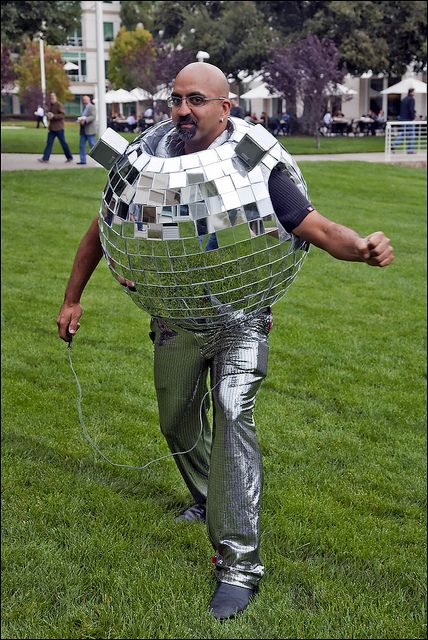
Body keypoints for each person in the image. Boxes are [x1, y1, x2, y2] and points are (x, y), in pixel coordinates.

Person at [57, 62, 394, 622]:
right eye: (176, 100)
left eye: (196, 100)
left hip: (241, 315)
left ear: (225, 106)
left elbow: (313, 224)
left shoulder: (255, 161)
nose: (183, 110)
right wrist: (72, 299)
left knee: (234, 410)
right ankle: (209, 497)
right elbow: (101, 228)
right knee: (176, 424)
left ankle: (239, 563)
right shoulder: (146, 157)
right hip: (176, 317)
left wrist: (361, 247)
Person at [38, 92, 73, 163]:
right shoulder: (51, 105)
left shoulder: (59, 105)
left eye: (53, 97)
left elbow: (62, 115)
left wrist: (54, 116)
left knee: (63, 143)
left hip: (59, 128)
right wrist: (48, 115)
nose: (51, 98)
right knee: (49, 143)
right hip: (52, 128)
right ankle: (45, 158)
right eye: (51, 97)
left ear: (56, 97)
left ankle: (69, 157)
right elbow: (50, 115)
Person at [392, 88, 416, 153]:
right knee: (412, 134)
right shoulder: (411, 99)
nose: (415, 93)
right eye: (414, 92)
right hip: (408, 119)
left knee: (403, 133)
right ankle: (410, 149)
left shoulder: (404, 99)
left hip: (402, 118)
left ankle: (394, 144)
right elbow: (411, 109)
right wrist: (413, 117)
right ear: (411, 92)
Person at [77, 95, 97, 165]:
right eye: (83, 100)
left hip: (90, 130)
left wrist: (85, 120)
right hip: (83, 129)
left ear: (89, 100)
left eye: (85, 100)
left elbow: (93, 116)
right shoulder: (83, 108)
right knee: (81, 145)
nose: (84, 101)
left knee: (92, 145)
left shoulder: (92, 107)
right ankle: (83, 160)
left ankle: (99, 160)